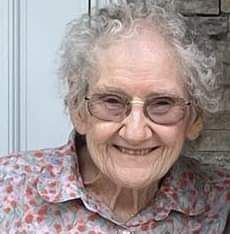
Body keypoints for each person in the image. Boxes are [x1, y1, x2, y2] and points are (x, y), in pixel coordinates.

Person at [0, 0, 229, 233]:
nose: (135, 133)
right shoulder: (8, 189)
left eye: (162, 103)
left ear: (195, 118)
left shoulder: (221, 201)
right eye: (111, 101)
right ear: (78, 109)